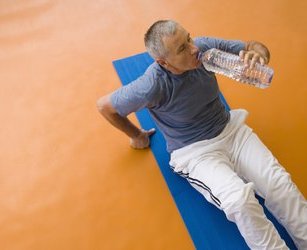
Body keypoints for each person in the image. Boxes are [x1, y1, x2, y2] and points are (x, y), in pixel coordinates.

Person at [96, 20, 307, 249]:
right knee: (240, 201)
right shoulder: (151, 84)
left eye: (189, 38)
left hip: (232, 130)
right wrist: (137, 135)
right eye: (182, 49)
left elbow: (253, 46)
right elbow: (104, 106)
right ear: (164, 63)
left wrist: (259, 56)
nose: (193, 48)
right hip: (196, 153)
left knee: (281, 186)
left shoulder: (204, 48)